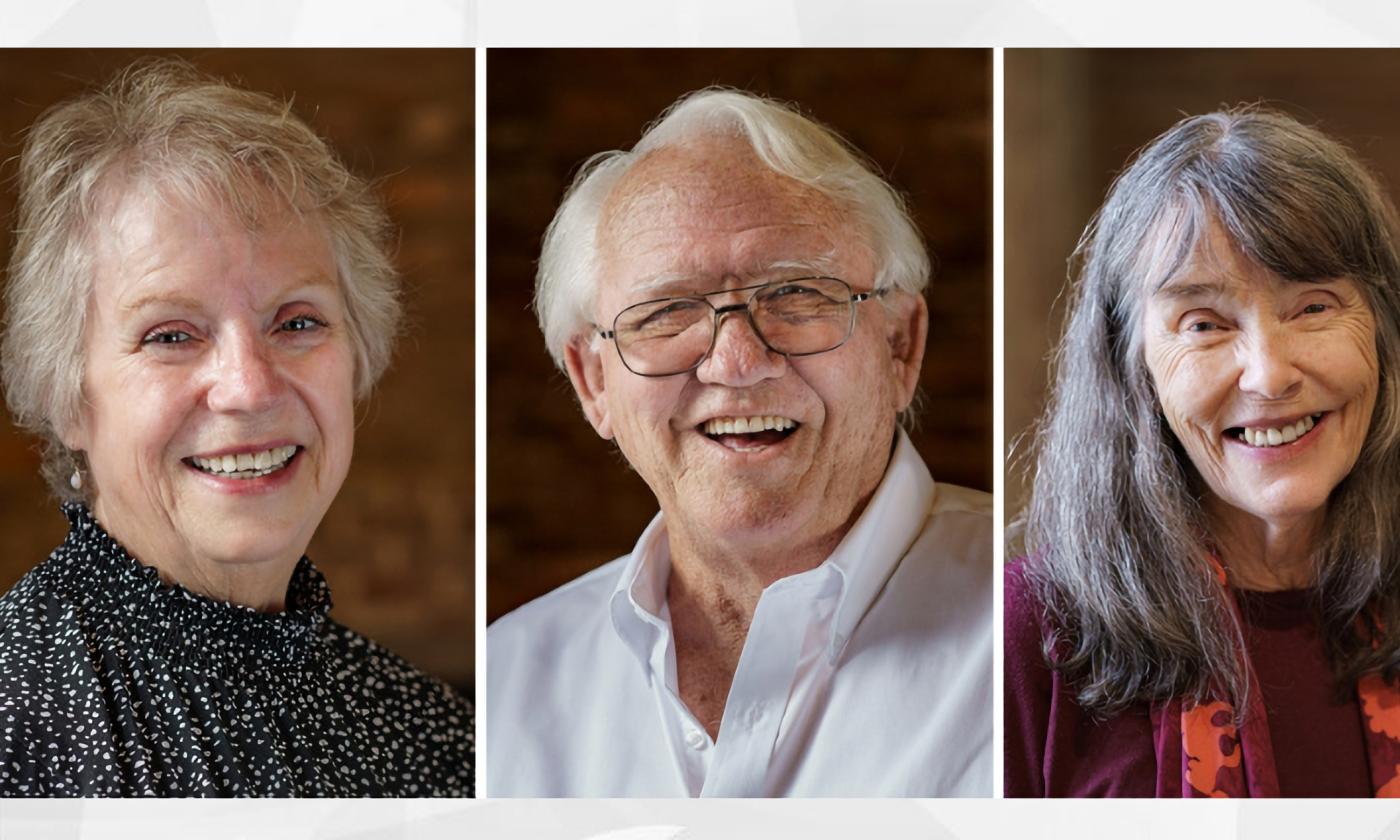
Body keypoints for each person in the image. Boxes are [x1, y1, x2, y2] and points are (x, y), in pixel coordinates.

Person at [488, 88, 992, 797]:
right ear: (593, 381)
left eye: (795, 295)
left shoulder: (1063, 625)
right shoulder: (505, 684)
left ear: (900, 345)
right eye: (666, 311)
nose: (736, 361)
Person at [0, 59, 472, 796]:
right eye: (170, 334)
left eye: (297, 322)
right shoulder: (15, 714)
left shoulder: (439, 740)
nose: (249, 388)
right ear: (69, 397)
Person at [1005, 107, 1400, 797]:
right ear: (1134, 368)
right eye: (1204, 324)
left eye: (1312, 306)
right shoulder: (1031, 637)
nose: (1269, 373)